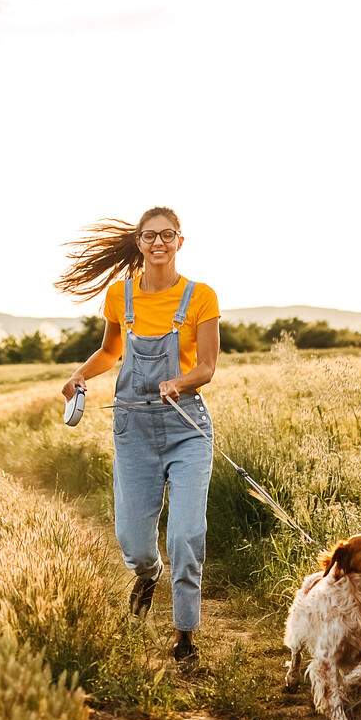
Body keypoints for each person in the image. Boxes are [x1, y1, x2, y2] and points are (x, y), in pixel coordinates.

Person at [58, 206, 221, 667]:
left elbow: (206, 366)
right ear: (139, 243)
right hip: (133, 428)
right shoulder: (119, 297)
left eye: (168, 235)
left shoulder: (201, 297)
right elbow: (110, 351)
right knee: (133, 540)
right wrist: (78, 375)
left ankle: (185, 636)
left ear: (180, 241)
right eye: (150, 236)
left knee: (187, 536)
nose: (159, 243)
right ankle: (148, 574)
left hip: (186, 426)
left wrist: (181, 382)